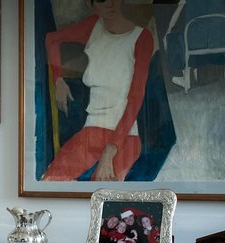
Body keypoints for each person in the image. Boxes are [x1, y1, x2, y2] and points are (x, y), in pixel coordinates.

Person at [42, 0, 154, 181]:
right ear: (90, 4)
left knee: (101, 198)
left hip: (125, 138)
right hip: (91, 133)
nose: (109, 3)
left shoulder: (142, 38)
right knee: (50, 182)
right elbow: (52, 39)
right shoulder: (92, 26)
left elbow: (136, 98)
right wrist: (59, 80)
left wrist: (111, 150)